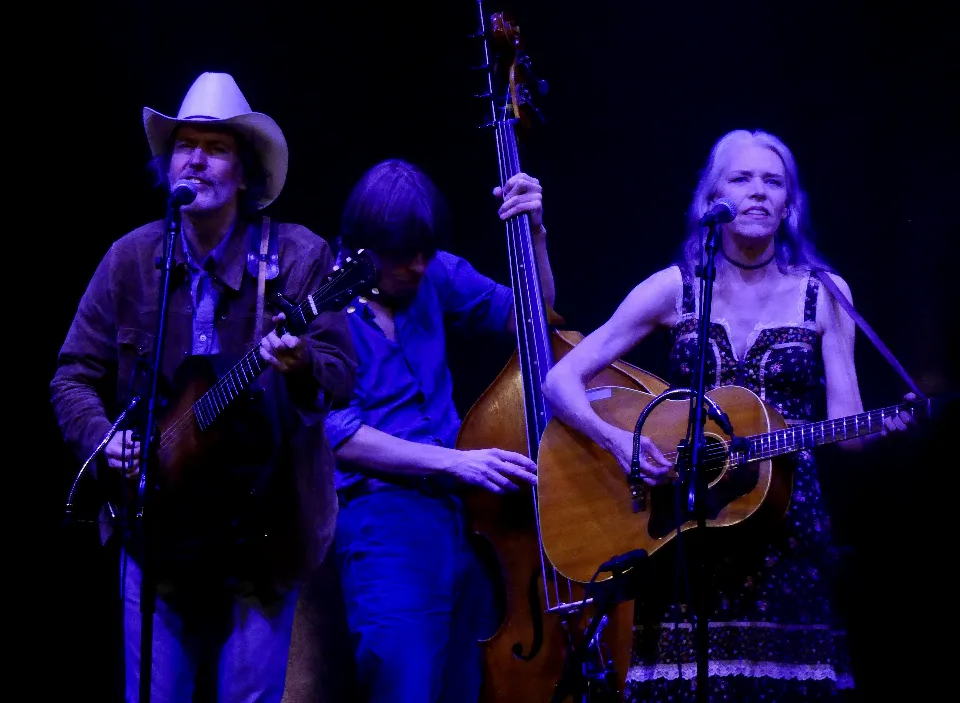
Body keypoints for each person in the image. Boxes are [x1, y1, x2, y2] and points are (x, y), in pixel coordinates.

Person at [542, 129, 915, 702]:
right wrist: (616, 440)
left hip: (787, 528)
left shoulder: (826, 293)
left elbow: (849, 431)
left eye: (773, 182)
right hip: (687, 528)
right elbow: (560, 380)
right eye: (741, 179)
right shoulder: (676, 288)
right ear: (710, 197)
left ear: (789, 204)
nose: (759, 193)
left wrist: (883, 433)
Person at [50, 71, 358, 702]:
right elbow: (72, 376)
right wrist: (105, 440)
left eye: (216, 147)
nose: (194, 158)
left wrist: (300, 365)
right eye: (184, 145)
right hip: (156, 531)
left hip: (262, 535)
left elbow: (341, 373)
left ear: (244, 174)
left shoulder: (300, 257)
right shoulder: (131, 260)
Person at [320, 158, 550, 702]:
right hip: (382, 522)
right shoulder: (322, 301)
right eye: (404, 258)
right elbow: (338, 434)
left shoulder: (435, 273)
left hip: (461, 520)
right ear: (362, 247)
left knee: (463, 688)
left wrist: (533, 233)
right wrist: (455, 462)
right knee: (406, 687)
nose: (419, 267)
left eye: (426, 252)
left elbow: (533, 320)